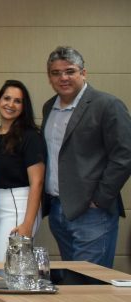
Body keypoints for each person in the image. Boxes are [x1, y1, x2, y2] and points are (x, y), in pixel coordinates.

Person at [41, 46, 131, 268]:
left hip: (92, 212)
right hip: (58, 210)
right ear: (49, 77)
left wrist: (100, 199)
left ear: (83, 73)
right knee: (73, 281)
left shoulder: (107, 105)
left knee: (90, 282)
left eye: (70, 71)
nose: (63, 78)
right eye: (56, 73)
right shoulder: (48, 108)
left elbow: (125, 154)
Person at [0, 80, 45, 262]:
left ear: (24, 106)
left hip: (17, 205)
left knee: (9, 266)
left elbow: (37, 183)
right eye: (7, 98)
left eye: (17, 101)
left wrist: (28, 223)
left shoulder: (30, 136)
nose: (10, 104)